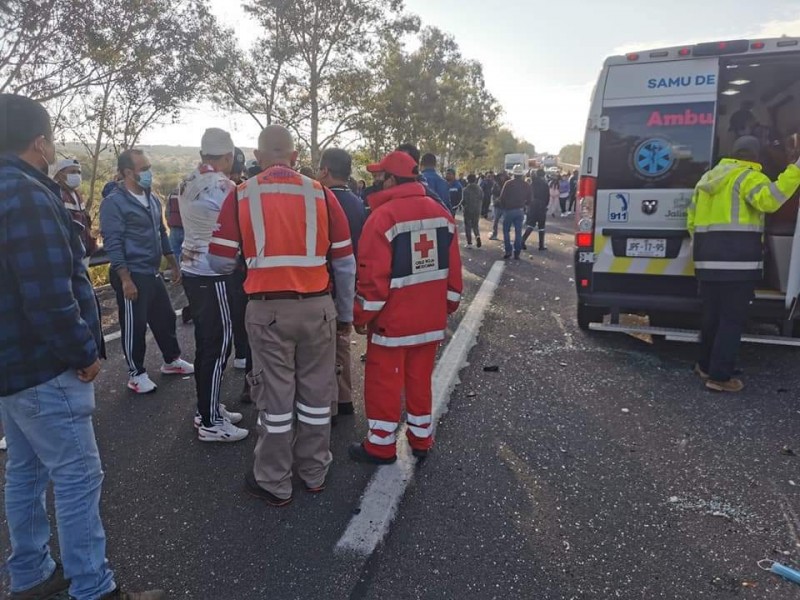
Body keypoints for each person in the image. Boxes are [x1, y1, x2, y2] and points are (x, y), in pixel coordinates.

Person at [0, 93, 164, 600]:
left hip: (11, 363)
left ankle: (31, 574)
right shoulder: (28, 195)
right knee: (77, 476)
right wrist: (84, 353)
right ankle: (93, 588)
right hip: (43, 363)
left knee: (25, 471)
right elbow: (49, 293)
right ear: (40, 142)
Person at [208, 125, 356, 506]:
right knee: (317, 394)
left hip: (268, 311)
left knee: (275, 399)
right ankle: (314, 471)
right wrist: (344, 315)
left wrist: (251, 262)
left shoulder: (241, 194)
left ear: (258, 157)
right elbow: (345, 264)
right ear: (294, 156)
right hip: (318, 309)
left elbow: (218, 261)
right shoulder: (322, 194)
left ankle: (274, 481)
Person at [348, 151, 463, 464]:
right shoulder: (442, 214)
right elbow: (454, 273)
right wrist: (447, 307)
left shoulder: (382, 218)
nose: (375, 181)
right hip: (430, 321)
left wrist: (360, 316)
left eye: (379, 176)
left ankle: (381, 445)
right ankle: (421, 437)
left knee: (383, 383)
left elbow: (373, 281)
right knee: (419, 380)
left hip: (392, 324)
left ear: (390, 179)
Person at [688, 135, 800, 392]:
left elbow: (691, 220)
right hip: (737, 264)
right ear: (756, 156)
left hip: (707, 262)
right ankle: (720, 377)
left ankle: (705, 365)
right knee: (731, 320)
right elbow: (770, 201)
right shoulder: (748, 177)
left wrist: (707, 249)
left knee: (712, 317)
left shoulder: (707, 179)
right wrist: (795, 170)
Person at [99, 149, 194, 394]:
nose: (149, 172)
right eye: (144, 168)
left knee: (165, 317)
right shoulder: (114, 203)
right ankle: (136, 374)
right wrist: (125, 279)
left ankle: (171, 360)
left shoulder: (151, 198)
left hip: (151, 270)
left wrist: (173, 263)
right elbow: (113, 243)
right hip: (131, 273)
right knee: (135, 325)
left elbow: (161, 232)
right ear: (128, 172)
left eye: (149, 167)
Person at [178, 128, 248, 442]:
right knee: (218, 346)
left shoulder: (188, 180)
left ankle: (207, 407)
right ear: (229, 156)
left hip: (192, 269)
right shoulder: (225, 187)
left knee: (206, 343)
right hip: (214, 272)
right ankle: (210, 422)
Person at [317, 148, 366, 422]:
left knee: (322, 347)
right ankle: (345, 397)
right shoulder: (357, 202)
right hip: (351, 281)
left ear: (325, 170)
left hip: (326, 284)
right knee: (343, 341)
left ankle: (330, 403)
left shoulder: (322, 200)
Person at [51, 157, 98, 268]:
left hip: (83, 252)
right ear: (60, 174)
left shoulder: (77, 194)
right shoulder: (56, 194)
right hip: (68, 255)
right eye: (72, 172)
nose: (77, 175)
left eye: (78, 172)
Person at [498, 164, 530, 260]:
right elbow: (530, 199)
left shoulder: (508, 183)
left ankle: (508, 251)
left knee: (506, 231)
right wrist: (524, 205)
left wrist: (504, 207)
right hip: (520, 210)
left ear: (513, 174)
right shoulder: (526, 185)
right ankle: (517, 252)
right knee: (518, 232)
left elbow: (502, 197)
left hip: (509, 210)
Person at [522, 168, 550, 251]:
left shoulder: (532, 183)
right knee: (541, 226)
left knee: (531, 224)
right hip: (541, 206)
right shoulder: (545, 184)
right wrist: (545, 205)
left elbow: (528, 195)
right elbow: (547, 197)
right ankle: (541, 245)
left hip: (532, 205)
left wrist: (528, 204)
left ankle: (522, 240)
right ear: (543, 175)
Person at [462, 173, 483, 248]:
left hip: (468, 209)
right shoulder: (479, 189)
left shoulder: (465, 190)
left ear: (468, 180)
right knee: (475, 225)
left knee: (467, 226)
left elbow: (463, 201)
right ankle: (477, 236)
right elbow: (481, 198)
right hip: (477, 209)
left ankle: (469, 243)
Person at [165, 185, 184, 262]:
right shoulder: (192, 194)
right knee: (187, 256)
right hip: (187, 230)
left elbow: (167, 212)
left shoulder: (171, 195)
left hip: (174, 229)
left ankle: (176, 268)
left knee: (174, 253)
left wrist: (170, 223)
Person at [489, 171, 507, 240]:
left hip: (504, 205)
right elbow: (493, 192)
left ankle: (505, 235)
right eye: (501, 176)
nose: (502, 178)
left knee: (505, 221)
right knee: (496, 220)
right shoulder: (496, 184)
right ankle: (494, 234)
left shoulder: (507, 183)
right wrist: (496, 199)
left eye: (503, 176)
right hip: (498, 205)